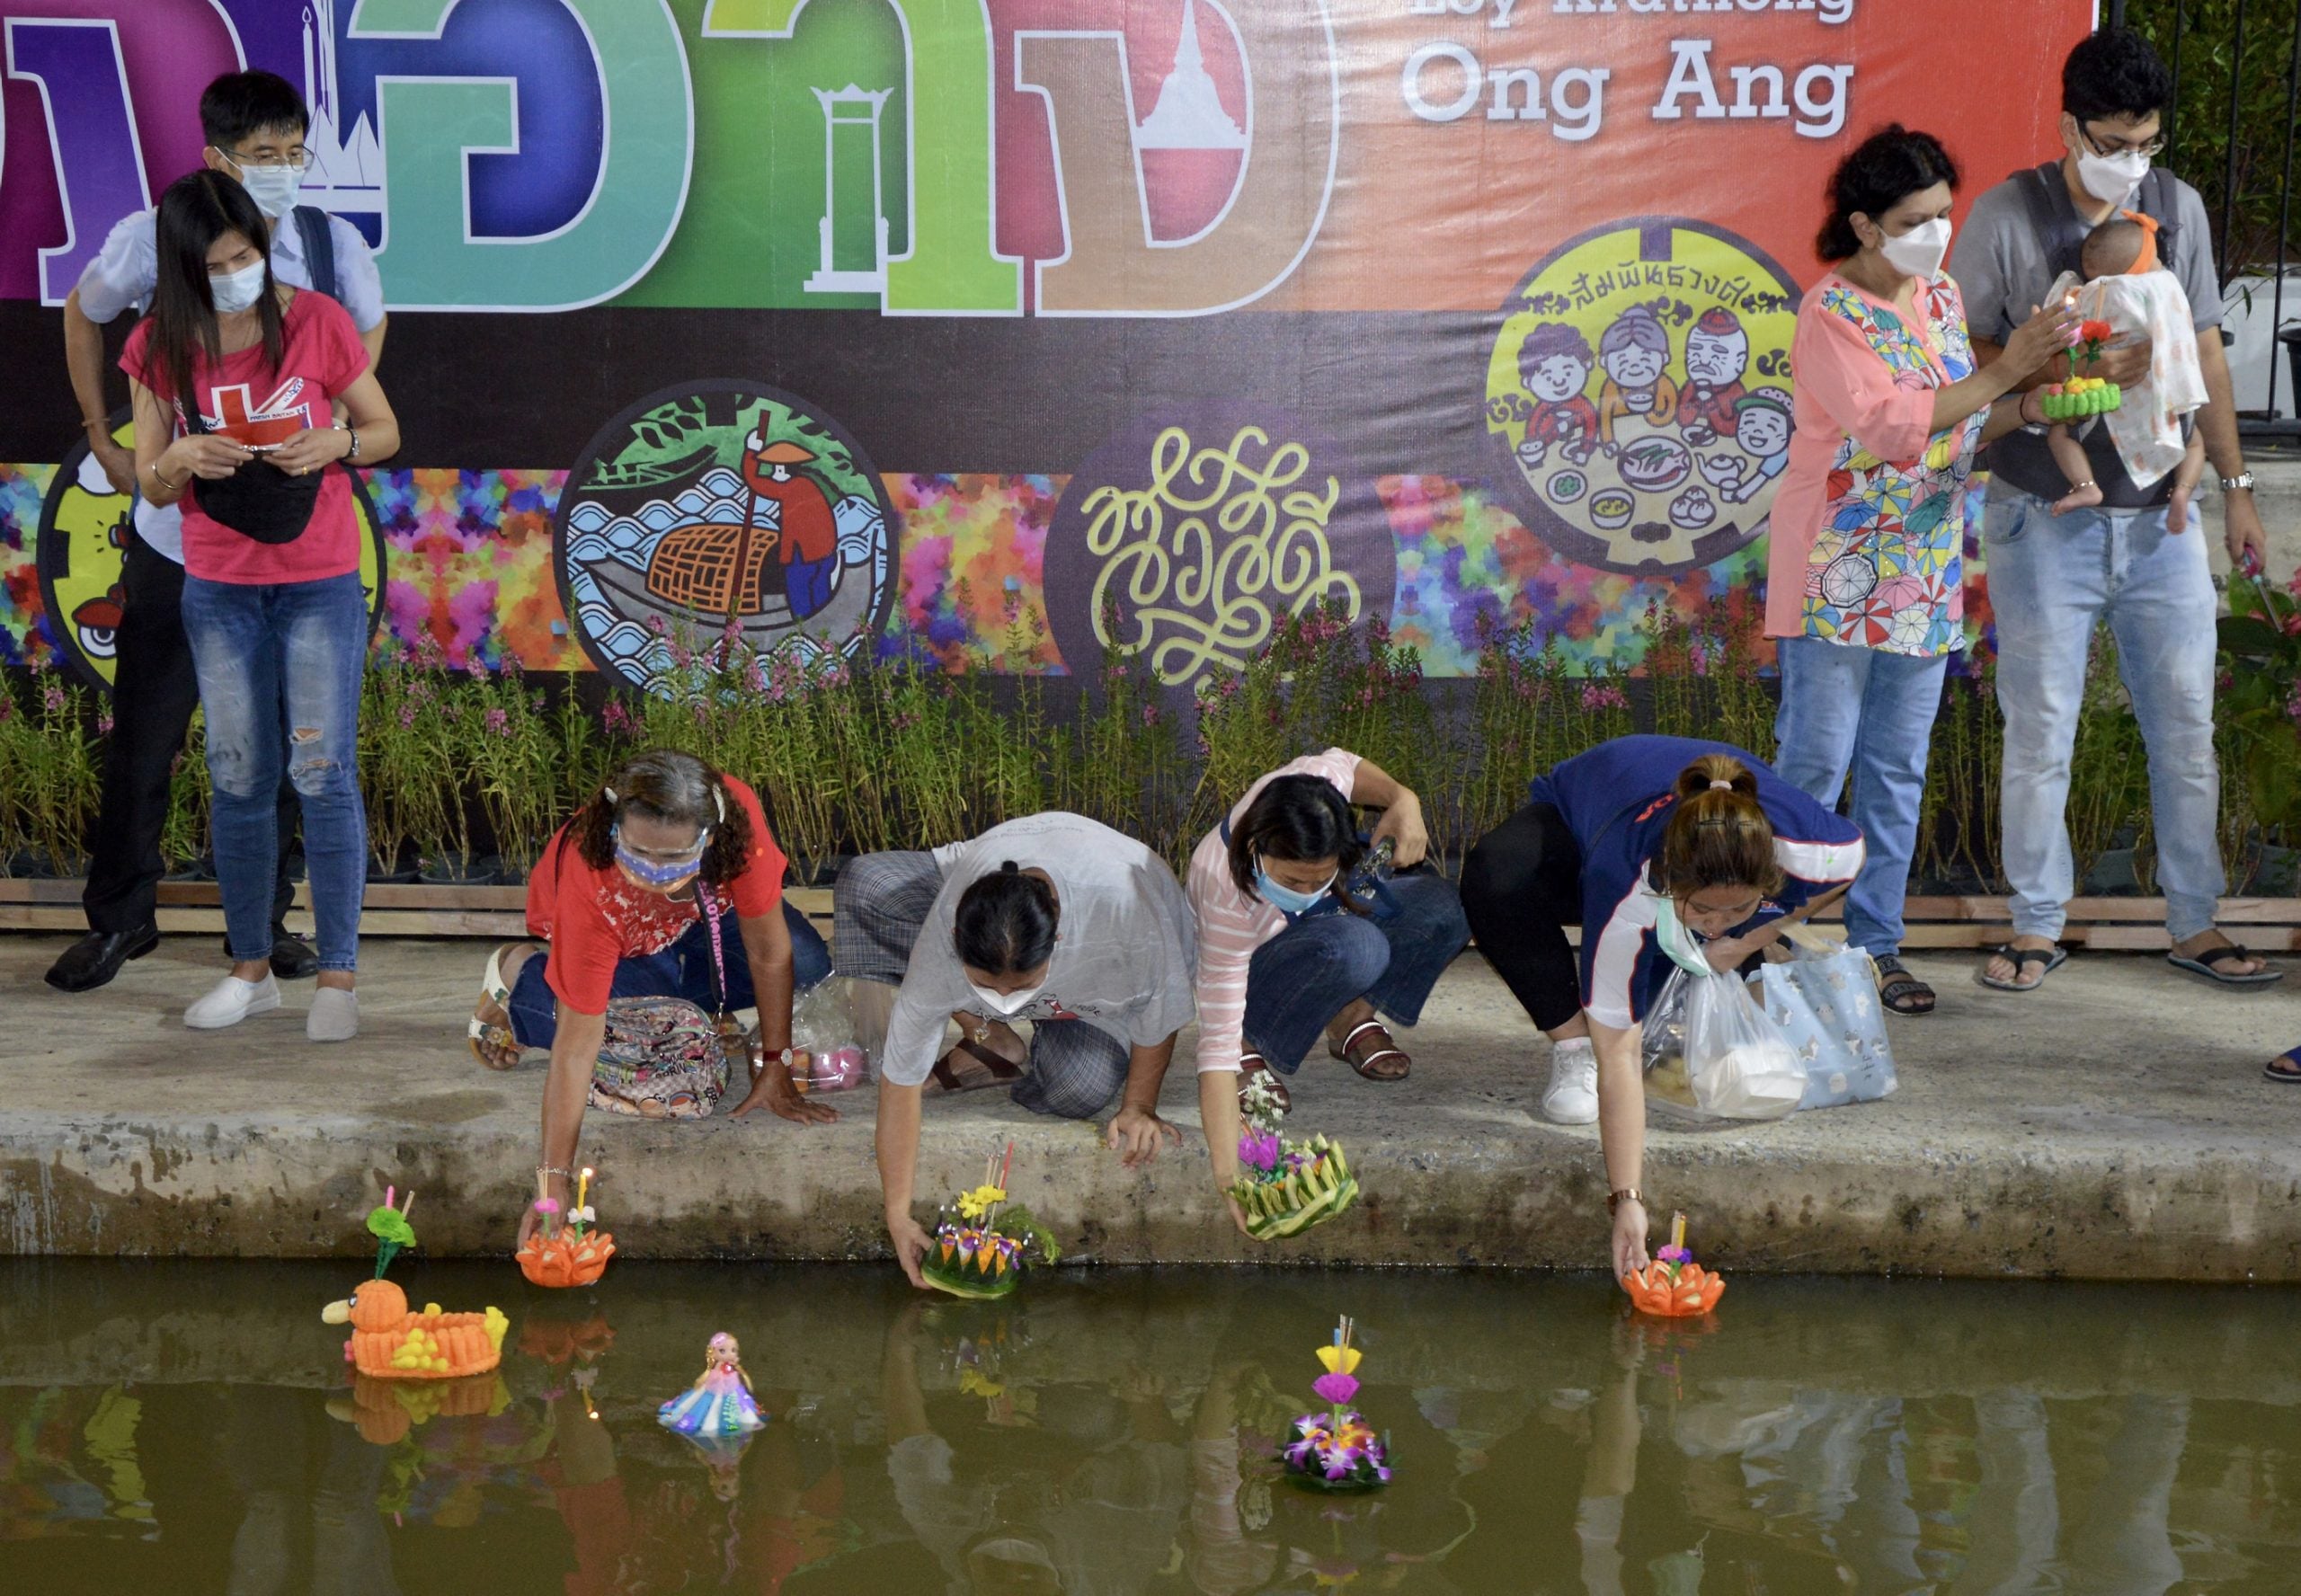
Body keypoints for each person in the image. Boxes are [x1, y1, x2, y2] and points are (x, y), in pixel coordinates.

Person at [1950, 26, 2281, 992]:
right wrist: (2071, 368)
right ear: (2067, 128)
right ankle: (2033, 924)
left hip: (2166, 520)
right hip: (2041, 513)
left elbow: (2208, 353)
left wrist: (2235, 486)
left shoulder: (2176, 206)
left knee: (2185, 727)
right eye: (2110, 142)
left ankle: (2194, 921)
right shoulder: (2006, 217)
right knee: (2040, 725)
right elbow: (1965, 359)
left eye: (2145, 143)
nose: (2129, 164)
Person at [45, 69, 389, 995]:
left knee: (281, 750)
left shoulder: (329, 244)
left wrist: (326, 438)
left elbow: (363, 359)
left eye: (292, 154)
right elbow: (85, 312)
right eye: (260, 157)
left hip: (291, 543)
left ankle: (267, 927)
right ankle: (121, 922)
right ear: (216, 159)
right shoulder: (154, 237)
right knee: (146, 738)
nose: (280, 172)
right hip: (178, 546)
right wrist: (104, 438)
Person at [1767, 125, 2077, 1018]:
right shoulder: (1828, 311)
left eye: (1943, 213)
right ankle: (1768, 942)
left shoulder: (1938, 296)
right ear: (1863, 225)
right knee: (1815, 763)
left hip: (1927, 561)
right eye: (1914, 219)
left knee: (1897, 768)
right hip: (1840, 562)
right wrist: (2006, 370)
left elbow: (1957, 428)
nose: (1936, 233)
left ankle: (1875, 947)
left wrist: (2032, 399)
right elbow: (1895, 428)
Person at [122, 170, 397, 1040]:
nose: (236, 273)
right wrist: (181, 460)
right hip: (219, 588)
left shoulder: (316, 319)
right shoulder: (158, 345)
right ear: (181, 268)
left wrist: (339, 441)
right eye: (216, 263)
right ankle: (250, 969)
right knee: (239, 776)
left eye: (246, 255)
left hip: (317, 580)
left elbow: (386, 431)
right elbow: (151, 484)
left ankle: (340, 979)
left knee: (321, 772)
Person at [1457, 738, 1863, 1273]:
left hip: (1717, 850)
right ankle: (1571, 1044)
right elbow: (1620, 1057)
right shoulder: (1624, 883)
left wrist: (1743, 939)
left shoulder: (1811, 848)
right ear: (1668, 885)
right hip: (1587, 813)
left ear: (1769, 878)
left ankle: (1733, 942)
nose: (1718, 922)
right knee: (1501, 881)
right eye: (1703, 911)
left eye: (1736, 908)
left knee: (1707, 979)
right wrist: (1627, 1200)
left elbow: (1847, 868)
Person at [476, 749, 837, 1244]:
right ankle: (521, 975)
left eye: (672, 857)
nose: (651, 871)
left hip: (703, 913)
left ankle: (691, 998)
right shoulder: (592, 880)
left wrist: (776, 1064)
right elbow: (578, 1045)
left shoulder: (737, 824)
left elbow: (770, 955)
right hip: (624, 932)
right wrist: (553, 1183)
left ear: (710, 838)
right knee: (636, 1028)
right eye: (637, 852)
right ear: (613, 829)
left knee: (808, 962)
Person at [834, 812, 1195, 1286]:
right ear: (956, 942)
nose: (1003, 999)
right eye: (985, 986)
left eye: (1021, 986)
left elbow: (1159, 1008)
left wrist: (1139, 1106)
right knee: (868, 884)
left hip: (1100, 988)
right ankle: (993, 1041)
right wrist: (897, 1217)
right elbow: (900, 1085)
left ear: (1058, 941)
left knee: (1079, 1089)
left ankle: (1038, 1026)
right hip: (995, 891)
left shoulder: (1123, 914)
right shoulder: (943, 942)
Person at [1185, 749, 1467, 1226]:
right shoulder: (1221, 888)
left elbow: (1347, 764)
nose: (1308, 888)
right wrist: (1228, 1178)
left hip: (1322, 929)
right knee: (1357, 946)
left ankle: (1349, 1015)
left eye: (1322, 876)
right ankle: (1253, 1040)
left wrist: (1404, 799)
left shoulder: (1313, 786)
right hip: (1260, 967)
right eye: (1293, 879)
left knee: (1441, 908)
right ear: (1256, 848)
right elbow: (1212, 1050)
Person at [2040, 217, 2207, 520]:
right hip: (2160, 403)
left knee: (2059, 436)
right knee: (2193, 442)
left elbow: (2062, 333)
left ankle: (2086, 485)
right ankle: (2183, 489)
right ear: (2143, 264)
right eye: (2154, 257)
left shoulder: (2082, 294)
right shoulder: (2162, 288)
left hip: (2099, 406)